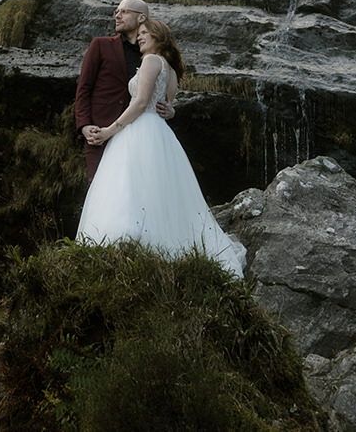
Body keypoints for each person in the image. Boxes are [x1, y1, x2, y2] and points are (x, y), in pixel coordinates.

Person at [75, 17, 246, 277]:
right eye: (139, 33)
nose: (140, 37)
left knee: (130, 188)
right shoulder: (172, 70)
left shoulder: (151, 61)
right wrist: (171, 111)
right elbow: (164, 106)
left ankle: (127, 246)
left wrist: (110, 130)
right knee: (158, 192)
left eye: (145, 33)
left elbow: (141, 102)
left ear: (158, 37)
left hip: (139, 131)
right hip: (160, 134)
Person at [75, 0, 173, 182]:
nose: (117, 16)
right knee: (101, 190)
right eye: (116, 12)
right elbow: (83, 88)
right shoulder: (100, 45)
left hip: (137, 133)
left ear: (142, 18)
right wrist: (84, 125)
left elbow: (162, 92)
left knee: (135, 190)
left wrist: (170, 109)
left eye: (124, 12)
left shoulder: (151, 54)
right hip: (99, 131)